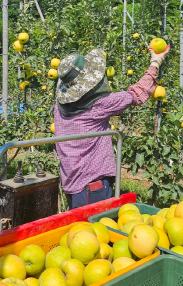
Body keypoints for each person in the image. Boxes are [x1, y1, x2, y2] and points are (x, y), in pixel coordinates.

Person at [53, 44, 170, 209]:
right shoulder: (99, 106)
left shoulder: (59, 106)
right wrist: (155, 62)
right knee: (97, 230)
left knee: (79, 231)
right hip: (93, 187)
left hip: (71, 185)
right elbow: (136, 94)